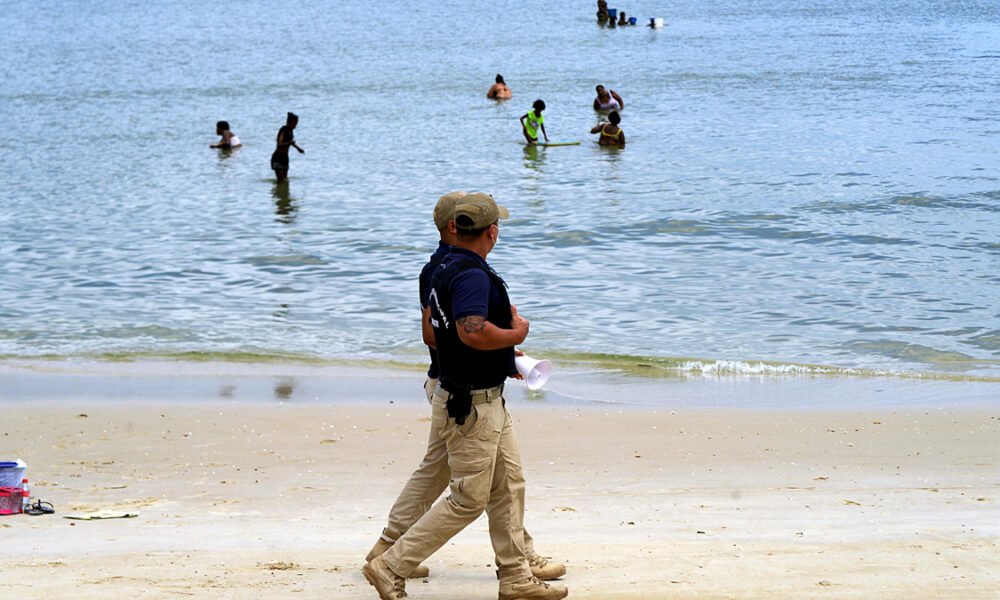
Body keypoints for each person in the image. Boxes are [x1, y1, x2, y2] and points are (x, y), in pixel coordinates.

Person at [364, 194, 569, 600]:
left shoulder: (438, 268)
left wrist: (504, 356)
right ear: (491, 231)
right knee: (468, 497)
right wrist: (515, 336)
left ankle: (515, 575)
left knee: (505, 482)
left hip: (464, 387)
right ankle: (390, 563)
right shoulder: (471, 274)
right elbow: (471, 331)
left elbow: (435, 334)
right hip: (470, 399)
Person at [271, 112, 304, 183]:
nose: (296, 125)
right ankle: (277, 193)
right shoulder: (283, 130)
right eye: (295, 123)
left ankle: (284, 193)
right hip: (278, 157)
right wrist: (289, 143)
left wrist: (298, 148)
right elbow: (280, 144)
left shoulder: (290, 131)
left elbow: (290, 141)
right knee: (280, 180)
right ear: (291, 122)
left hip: (285, 157)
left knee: (285, 180)